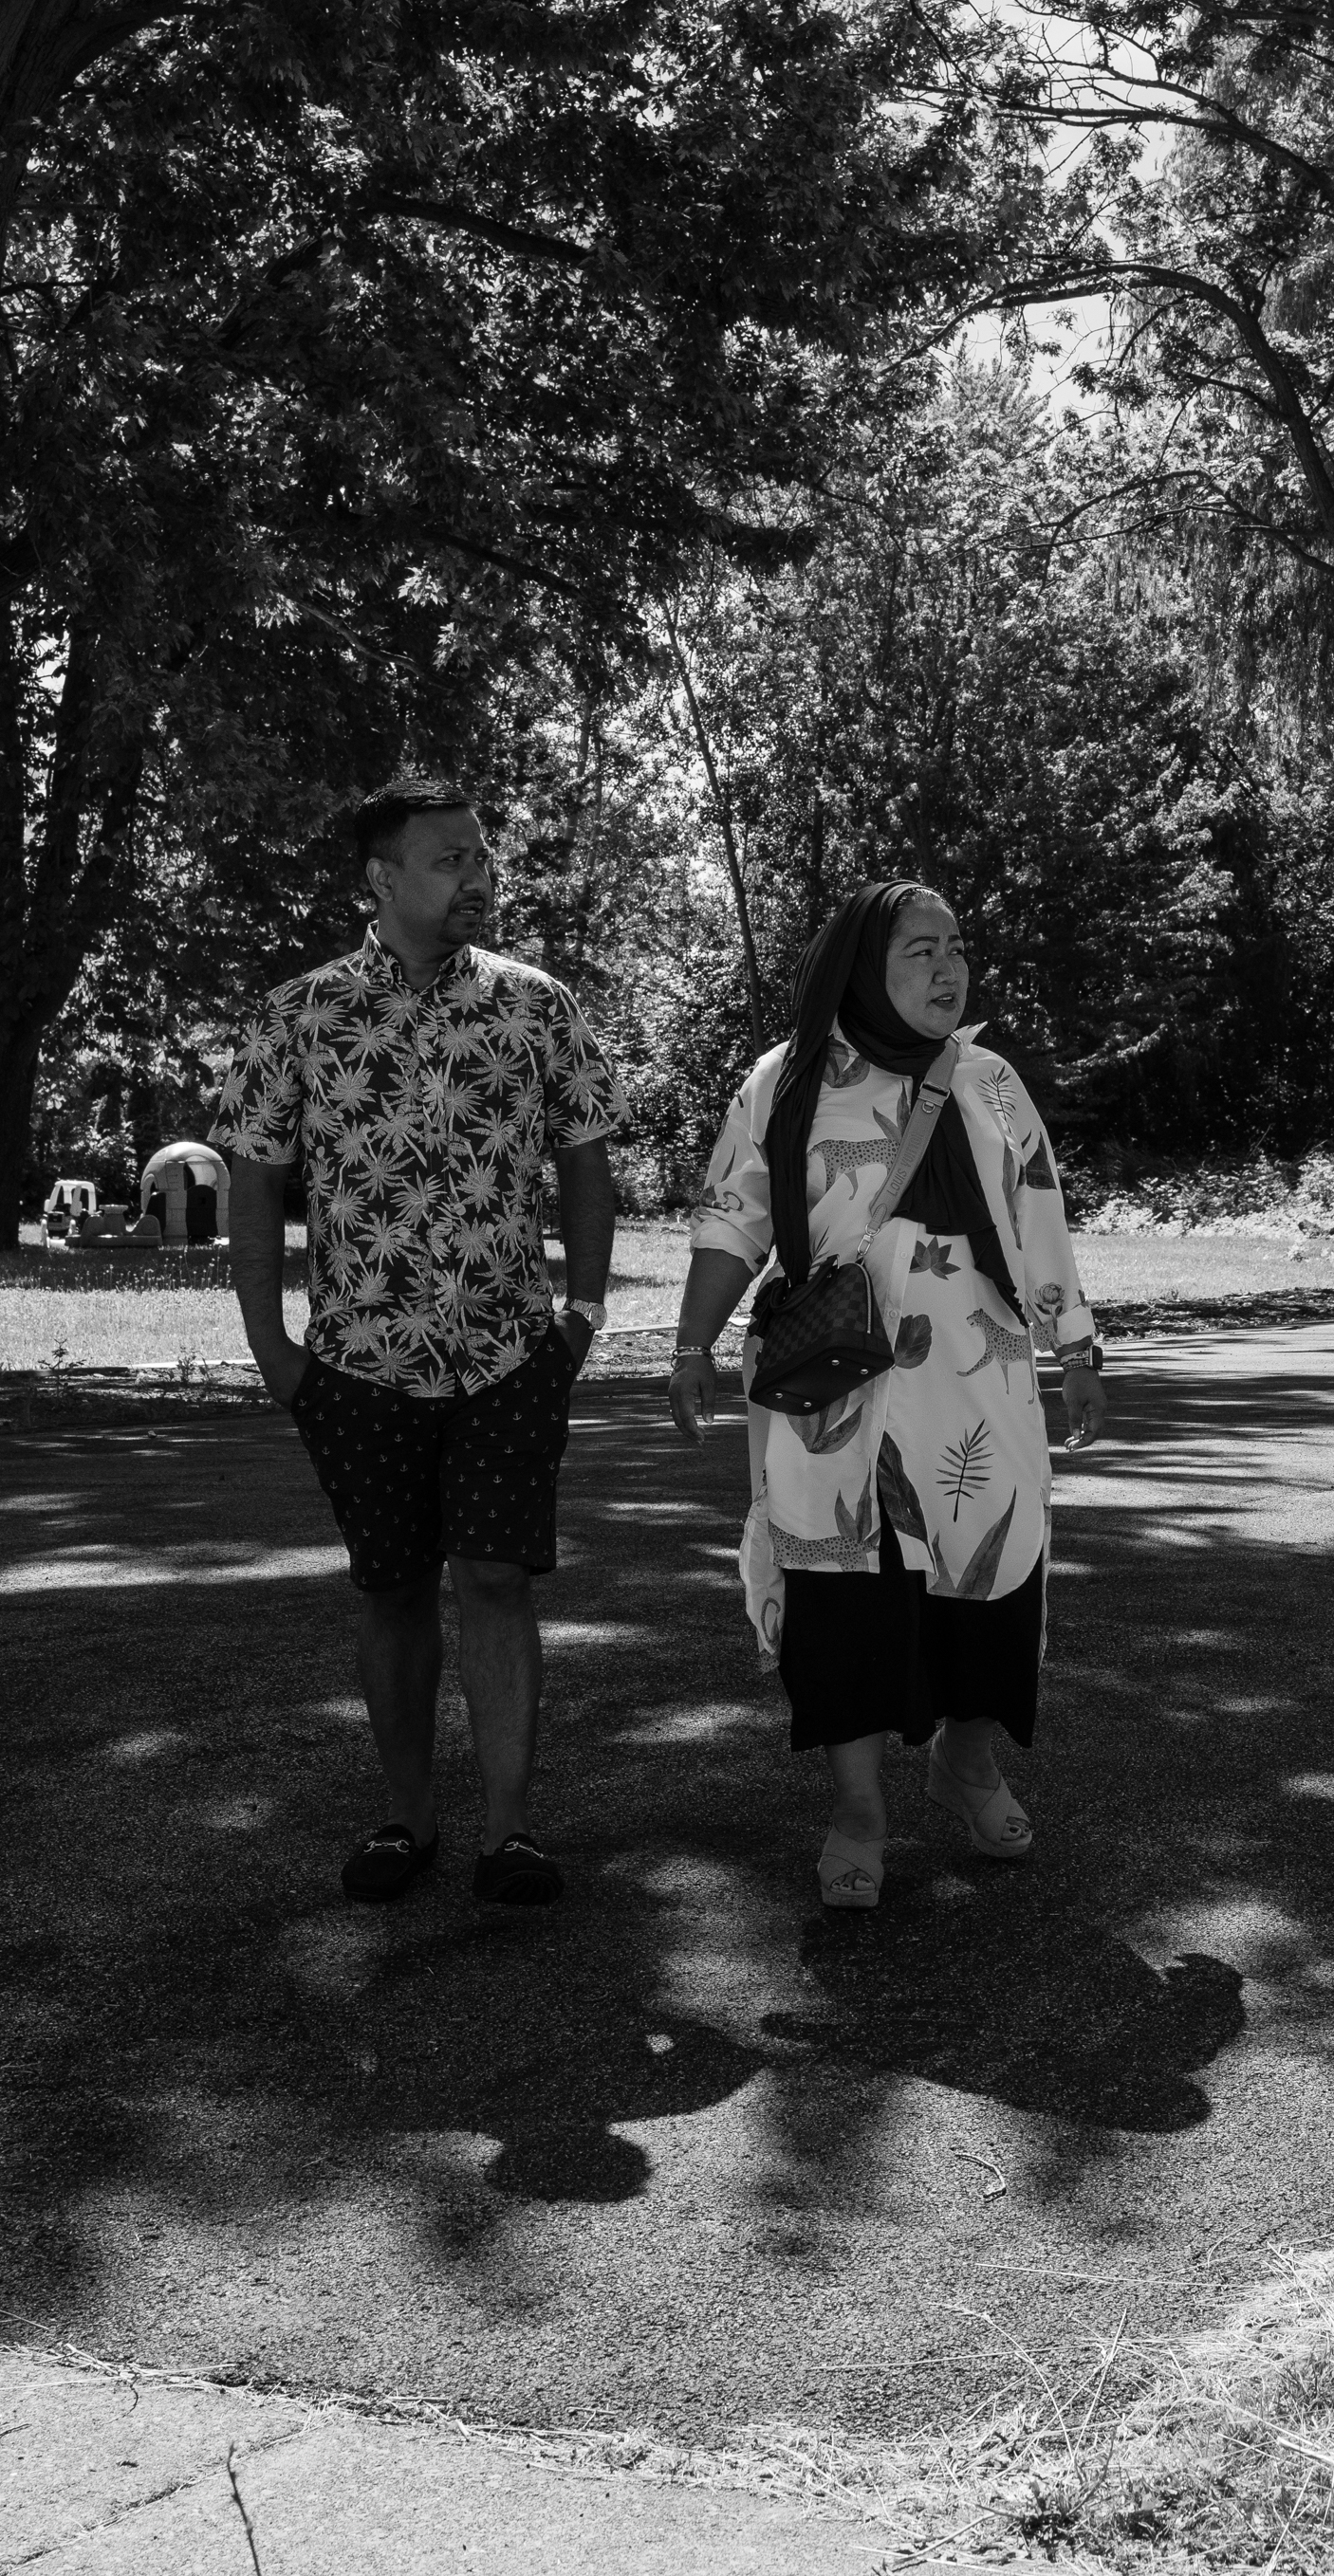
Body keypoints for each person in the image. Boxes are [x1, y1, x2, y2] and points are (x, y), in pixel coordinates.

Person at [218, 774, 622, 1908]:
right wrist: (271, 1346)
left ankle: (509, 1835)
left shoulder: (536, 1003)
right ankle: (406, 1819)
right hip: (356, 1360)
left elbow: (588, 1157)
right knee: (393, 1588)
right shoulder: (298, 1012)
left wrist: (580, 1315)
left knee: (495, 1576)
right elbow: (254, 1182)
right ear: (382, 876)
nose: (478, 878)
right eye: (451, 860)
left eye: (481, 857)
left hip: (508, 1353)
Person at [667, 885, 1104, 1908]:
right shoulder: (783, 1081)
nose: (948, 968)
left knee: (990, 1574)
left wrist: (1077, 1348)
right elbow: (732, 1222)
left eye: (956, 947)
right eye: (920, 951)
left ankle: (967, 1760)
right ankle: (858, 1808)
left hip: (978, 1370)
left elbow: (1040, 1215)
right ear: (865, 964)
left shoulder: (990, 1082)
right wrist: (689, 1341)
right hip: (833, 1381)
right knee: (840, 1590)